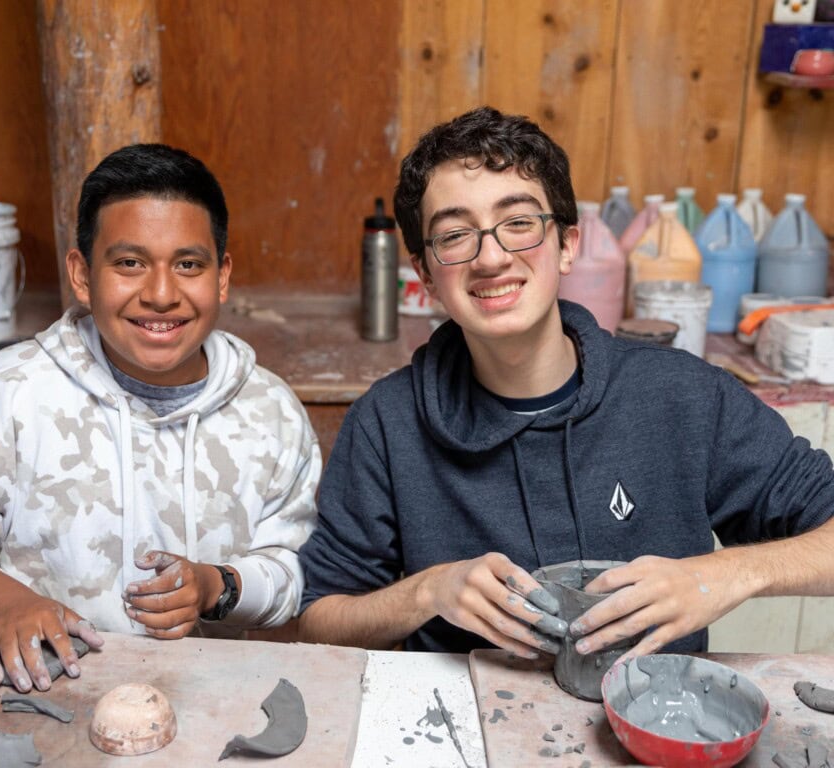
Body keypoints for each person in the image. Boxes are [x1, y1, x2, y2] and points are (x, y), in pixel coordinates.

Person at [297, 106, 834, 661]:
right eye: (455, 235)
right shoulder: (387, 422)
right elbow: (317, 621)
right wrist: (429, 591)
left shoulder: (684, 396)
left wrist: (725, 574)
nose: (492, 257)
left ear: (568, 244)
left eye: (520, 223)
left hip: (649, 723)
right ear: (428, 275)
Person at [0, 144, 321, 692]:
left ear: (221, 277)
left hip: (204, 703)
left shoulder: (271, 413)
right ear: (81, 274)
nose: (162, 294)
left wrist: (216, 586)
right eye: (129, 263)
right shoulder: (12, 391)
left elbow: (291, 570)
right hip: (40, 691)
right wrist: (6, 601)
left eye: (188, 265)